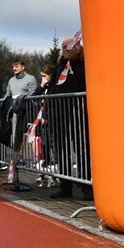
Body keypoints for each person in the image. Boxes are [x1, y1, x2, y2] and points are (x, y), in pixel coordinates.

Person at [48, 37, 91, 200]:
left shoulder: (85, 65)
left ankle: (86, 185)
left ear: (78, 48)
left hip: (78, 113)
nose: (65, 49)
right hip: (60, 114)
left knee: (82, 149)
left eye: (69, 46)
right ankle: (65, 185)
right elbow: (52, 87)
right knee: (62, 150)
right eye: (63, 47)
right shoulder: (59, 67)